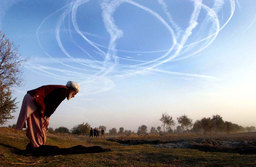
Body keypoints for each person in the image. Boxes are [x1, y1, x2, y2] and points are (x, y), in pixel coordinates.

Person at [16, 81, 80, 153]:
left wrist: (46, 117)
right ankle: (36, 148)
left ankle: (33, 145)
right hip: (34, 99)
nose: (74, 96)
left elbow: (49, 104)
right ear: (72, 90)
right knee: (38, 125)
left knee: (35, 124)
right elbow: (52, 106)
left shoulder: (62, 89)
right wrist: (46, 117)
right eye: (75, 93)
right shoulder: (63, 91)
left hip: (31, 97)